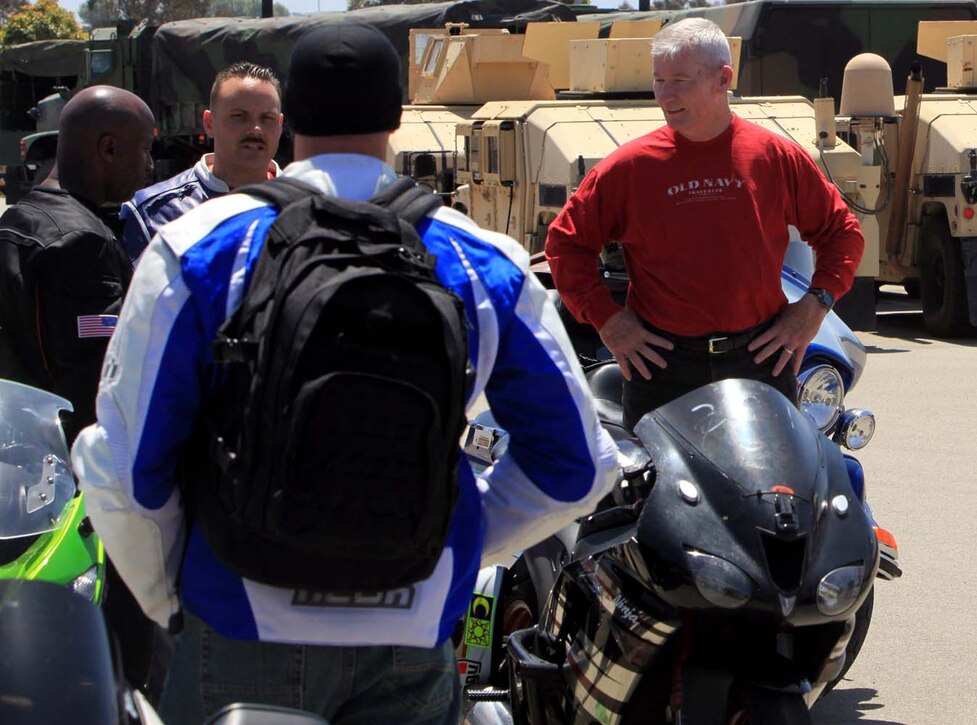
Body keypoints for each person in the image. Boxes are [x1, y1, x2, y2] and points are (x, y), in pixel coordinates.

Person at [71, 22, 616, 725]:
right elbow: (576, 467)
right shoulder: (482, 259)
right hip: (412, 635)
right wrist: (437, 546)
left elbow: (124, 466)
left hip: (241, 627)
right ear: (396, 117)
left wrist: (176, 594)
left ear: (289, 114)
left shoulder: (198, 249)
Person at [545, 18, 865, 429]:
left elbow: (842, 234)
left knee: (772, 491)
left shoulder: (773, 157)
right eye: (659, 80)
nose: (665, 95)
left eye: (680, 80)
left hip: (761, 361)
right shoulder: (629, 168)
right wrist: (608, 320)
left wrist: (814, 307)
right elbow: (565, 244)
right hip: (661, 368)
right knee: (660, 492)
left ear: (723, 79)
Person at [0, 86, 154, 441]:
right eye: (145, 148)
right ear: (109, 149)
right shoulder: (83, 242)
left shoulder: (16, 220)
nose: (149, 164)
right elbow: (94, 383)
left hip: (19, 447)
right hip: (65, 466)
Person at [119, 62, 283, 260]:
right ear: (209, 123)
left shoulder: (309, 207)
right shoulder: (151, 214)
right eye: (239, 116)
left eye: (267, 118)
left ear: (280, 125)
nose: (255, 129)